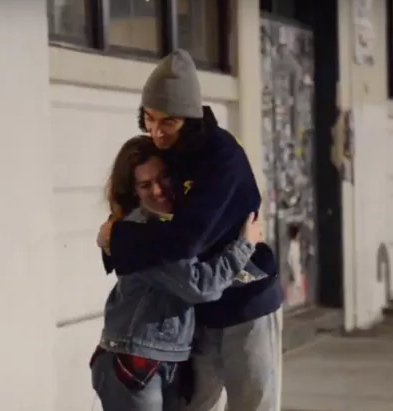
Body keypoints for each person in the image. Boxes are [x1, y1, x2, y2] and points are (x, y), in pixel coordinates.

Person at [97, 49, 284, 411]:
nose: (156, 131)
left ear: (190, 117)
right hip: (196, 314)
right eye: (149, 118)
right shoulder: (166, 151)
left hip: (246, 301)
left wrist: (115, 239)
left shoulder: (221, 157)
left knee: (253, 402)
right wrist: (117, 234)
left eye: (168, 121)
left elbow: (185, 240)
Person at [91, 135, 269, 411]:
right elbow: (200, 286)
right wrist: (244, 244)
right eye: (145, 184)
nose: (159, 190)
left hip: (161, 360)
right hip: (133, 360)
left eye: (163, 178)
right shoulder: (141, 232)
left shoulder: (173, 226)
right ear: (133, 191)